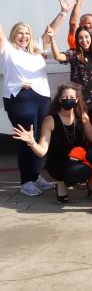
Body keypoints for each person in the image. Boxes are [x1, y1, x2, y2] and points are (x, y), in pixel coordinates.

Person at [12, 82, 92, 203]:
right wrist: (32, 141)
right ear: (59, 99)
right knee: (85, 171)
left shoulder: (82, 116)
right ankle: (61, 183)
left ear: (77, 100)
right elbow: (42, 151)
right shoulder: (50, 120)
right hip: (59, 164)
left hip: (78, 159)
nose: (68, 100)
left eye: (71, 97)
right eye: (65, 97)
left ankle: (91, 187)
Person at [0, 21, 53, 196]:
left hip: (41, 97)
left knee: (38, 137)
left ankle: (36, 176)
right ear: (13, 34)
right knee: (25, 138)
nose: (24, 36)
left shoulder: (35, 48)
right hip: (20, 98)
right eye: (20, 33)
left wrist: (64, 12)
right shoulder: (7, 49)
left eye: (27, 33)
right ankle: (26, 181)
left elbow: (50, 32)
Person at [46, 25, 92, 128]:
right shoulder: (74, 54)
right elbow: (58, 57)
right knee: (83, 133)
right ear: (77, 40)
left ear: (91, 37)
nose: (84, 40)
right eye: (80, 37)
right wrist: (52, 38)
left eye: (86, 37)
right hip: (80, 103)